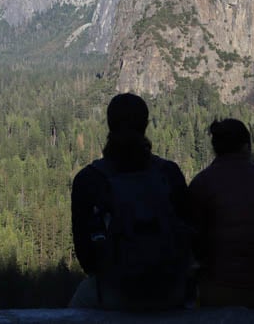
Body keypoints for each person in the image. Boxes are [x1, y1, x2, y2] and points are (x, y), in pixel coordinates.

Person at [69, 93, 192, 310]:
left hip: (116, 293)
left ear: (109, 124)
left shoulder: (89, 179)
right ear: (146, 124)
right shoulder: (169, 173)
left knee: (78, 304)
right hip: (170, 291)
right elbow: (188, 235)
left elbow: (87, 259)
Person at [188, 118, 254, 308]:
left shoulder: (201, 182)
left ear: (216, 148)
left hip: (218, 292)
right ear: (246, 147)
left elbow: (194, 238)